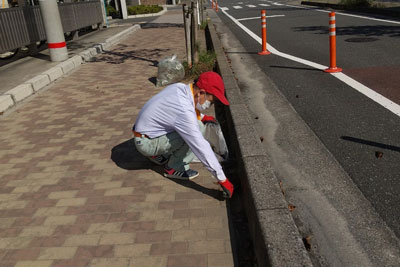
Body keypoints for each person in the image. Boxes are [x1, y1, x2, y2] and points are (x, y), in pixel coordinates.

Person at [132, 71, 234, 198]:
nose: (210, 105)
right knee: (199, 129)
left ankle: (155, 155)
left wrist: (201, 116)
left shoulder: (179, 87)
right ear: (201, 93)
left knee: (196, 123)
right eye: (211, 101)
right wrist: (222, 178)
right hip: (146, 143)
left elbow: (173, 111)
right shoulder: (183, 110)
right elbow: (200, 146)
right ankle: (174, 168)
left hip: (144, 135)